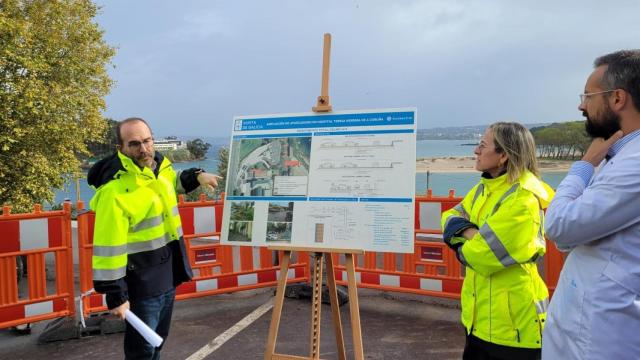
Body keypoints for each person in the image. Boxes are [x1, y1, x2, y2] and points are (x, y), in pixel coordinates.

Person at [87, 117, 220, 359]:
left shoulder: (158, 167)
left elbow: (172, 182)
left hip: (167, 273)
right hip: (142, 281)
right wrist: (116, 295)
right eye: (134, 144)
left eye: (147, 141)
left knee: (157, 341)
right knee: (142, 350)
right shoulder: (114, 190)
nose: (144, 149)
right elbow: (108, 247)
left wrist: (197, 176)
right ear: (121, 149)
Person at [542, 50, 640, 359]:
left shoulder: (633, 163)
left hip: (605, 330)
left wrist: (583, 165)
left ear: (617, 99)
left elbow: (559, 226)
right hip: (586, 318)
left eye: (587, 95)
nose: (581, 105)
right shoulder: (618, 154)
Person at [441, 122, 554, 360]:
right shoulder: (484, 189)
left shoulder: (522, 198)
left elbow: (481, 257)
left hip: (514, 328)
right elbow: (449, 217)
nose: (475, 151)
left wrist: (463, 236)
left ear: (503, 155)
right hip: (477, 320)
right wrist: (473, 234)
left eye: (482, 145)